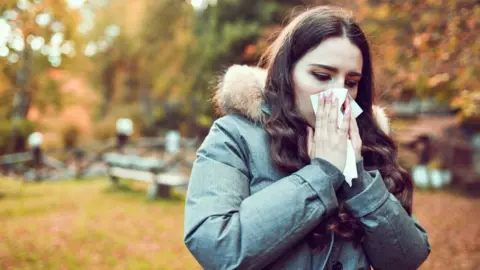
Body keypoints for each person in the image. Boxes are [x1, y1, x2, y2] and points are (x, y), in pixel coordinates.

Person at [184, 5, 431, 270]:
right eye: (322, 76)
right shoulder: (234, 136)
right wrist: (323, 174)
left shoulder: (369, 145)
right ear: (287, 74)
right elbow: (217, 248)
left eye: (351, 82)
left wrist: (356, 176)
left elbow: (407, 259)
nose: (339, 94)